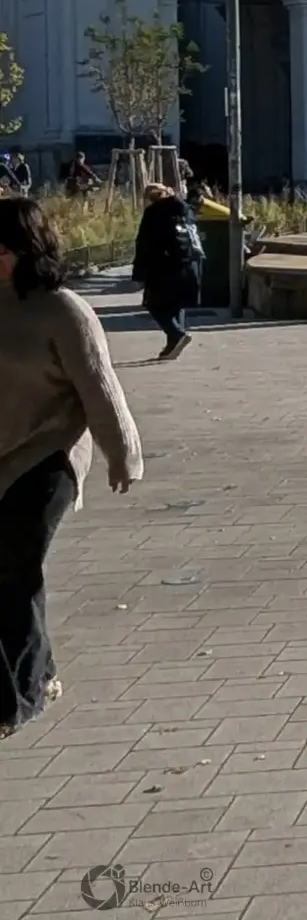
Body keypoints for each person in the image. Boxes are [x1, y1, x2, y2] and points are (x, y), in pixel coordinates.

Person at [0, 196, 142, 735]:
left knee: (14, 571)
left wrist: (122, 455)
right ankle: (41, 672)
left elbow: (100, 389)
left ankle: (19, 698)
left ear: (20, 250)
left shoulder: (63, 310)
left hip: (47, 456)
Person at [130, 182, 203, 361]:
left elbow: (144, 244)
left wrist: (138, 274)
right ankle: (172, 345)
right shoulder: (186, 209)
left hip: (164, 266)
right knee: (174, 304)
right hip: (190, 265)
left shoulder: (154, 213)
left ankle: (177, 334)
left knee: (153, 304)